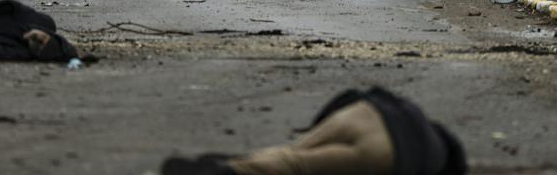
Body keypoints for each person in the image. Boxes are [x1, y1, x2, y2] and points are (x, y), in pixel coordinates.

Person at [161, 87, 466, 175]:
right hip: (387, 153)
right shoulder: (433, 160)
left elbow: (354, 95)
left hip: (362, 113)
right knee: (298, 166)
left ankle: (239, 163)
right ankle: (228, 171)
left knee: (295, 151)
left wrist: (316, 126)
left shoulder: (415, 113)